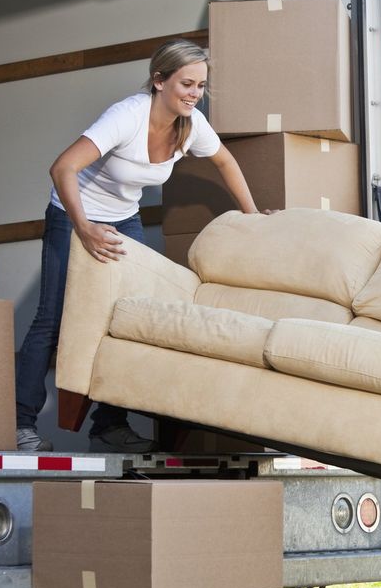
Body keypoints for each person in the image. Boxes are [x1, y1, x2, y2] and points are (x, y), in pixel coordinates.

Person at [14, 39, 259, 452]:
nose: (195, 94)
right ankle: (23, 424)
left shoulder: (191, 124)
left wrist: (253, 217)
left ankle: (108, 423)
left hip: (124, 218)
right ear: (159, 80)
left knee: (129, 318)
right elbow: (62, 168)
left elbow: (225, 162)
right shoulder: (126, 116)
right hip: (73, 215)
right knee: (51, 318)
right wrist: (84, 227)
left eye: (201, 86)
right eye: (186, 84)